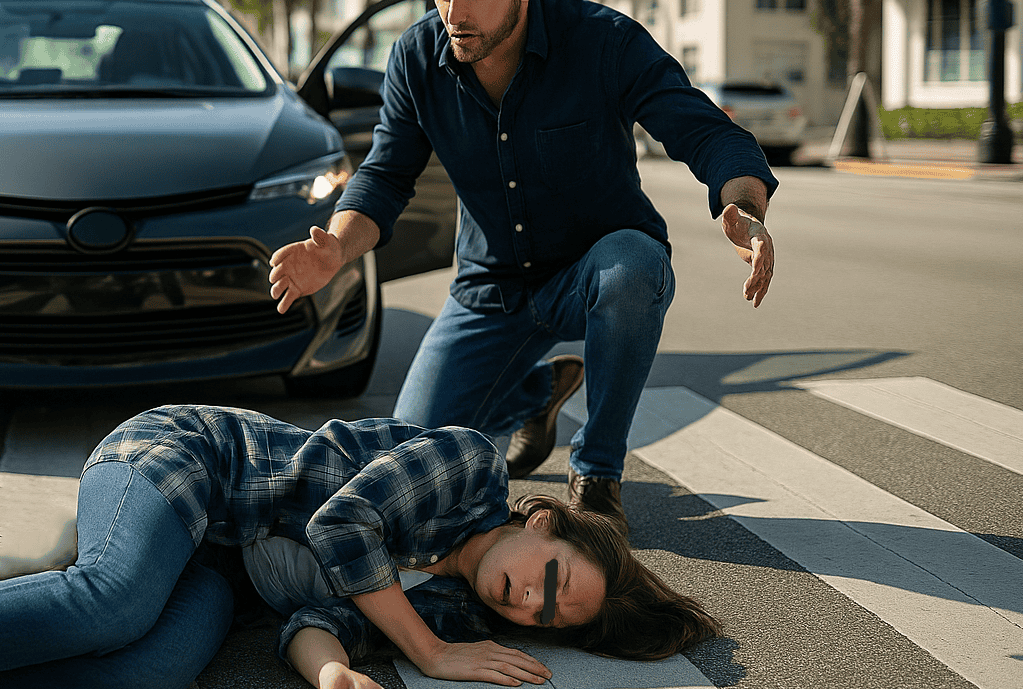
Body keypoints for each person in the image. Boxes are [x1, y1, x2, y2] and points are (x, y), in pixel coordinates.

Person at [268, 0, 779, 535]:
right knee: (406, 469)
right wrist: (337, 248)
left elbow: (705, 131)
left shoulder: (602, 39)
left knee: (633, 267)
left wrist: (743, 204)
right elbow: (386, 175)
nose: (454, 11)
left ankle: (597, 475)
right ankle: (534, 395)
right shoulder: (416, 56)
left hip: (595, 272)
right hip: (488, 293)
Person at [0, 405, 720, 689]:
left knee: (149, 672)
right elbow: (341, 525)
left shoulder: (449, 608)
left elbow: (315, 625)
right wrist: (429, 655)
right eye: (552, 581)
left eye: (548, 617)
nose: (532, 601)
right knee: (113, 603)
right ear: (544, 524)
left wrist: (334, 676)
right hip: (193, 460)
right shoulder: (469, 466)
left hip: (222, 563)